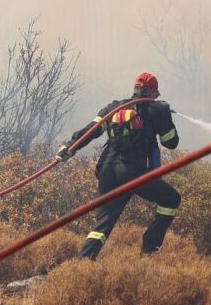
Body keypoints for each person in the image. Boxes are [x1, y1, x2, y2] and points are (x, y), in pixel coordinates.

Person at [56, 71, 181, 260]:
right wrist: (165, 119)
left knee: (103, 223)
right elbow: (170, 142)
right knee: (171, 199)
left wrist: (69, 147)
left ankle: (82, 262)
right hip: (133, 174)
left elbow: (92, 130)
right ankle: (150, 246)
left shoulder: (114, 108)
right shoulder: (159, 109)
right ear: (153, 91)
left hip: (106, 170)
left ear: (136, 89)